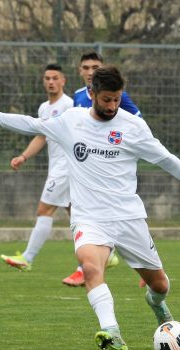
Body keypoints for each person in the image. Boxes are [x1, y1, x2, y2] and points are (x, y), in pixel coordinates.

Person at [0, 65, 180, 350]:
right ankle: (112, 332)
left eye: (117, 99)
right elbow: (31, 124)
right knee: (91, 267)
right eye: (106, 99)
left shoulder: (133, 127)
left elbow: (167, 160)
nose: (112, 106)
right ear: (91, 93)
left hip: (129, 218)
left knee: (160, 284)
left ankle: (156, 304)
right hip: (90, 218)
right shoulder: (71, 122)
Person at [60, 51, 141, 287]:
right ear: (80, 71)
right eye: (86, 67)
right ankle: (94, 258)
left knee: (113, 212)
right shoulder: (76, 97)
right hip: (81, 164)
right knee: (75, 206)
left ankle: (92, 263)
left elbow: (137, 122)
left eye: (95, 67)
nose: (90, 71)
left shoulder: (117, 97)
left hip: (111, 165)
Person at [0, 64, 74, 272]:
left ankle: (27, 257)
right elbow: (42, 136)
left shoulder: (69, 105)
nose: (51, 82)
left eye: (55, 78)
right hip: (59, 168)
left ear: (63, 80)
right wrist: (24, 156)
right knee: (78, 215)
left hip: (65, 168)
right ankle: (106, 255)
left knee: (44, 209)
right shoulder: (44, 108)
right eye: (47, 78)